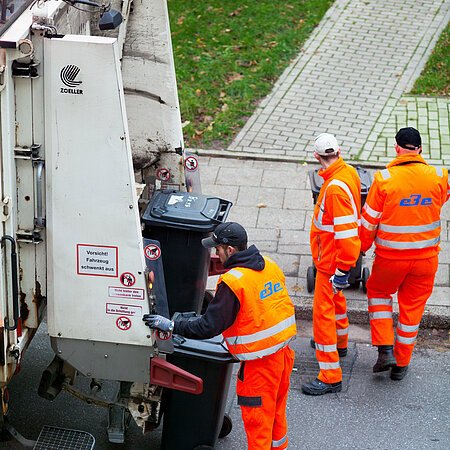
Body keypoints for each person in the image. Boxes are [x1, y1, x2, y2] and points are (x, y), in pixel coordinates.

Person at [143, 222, 297, 450]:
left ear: (230, 250)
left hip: (259, 370)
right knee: (275, 418)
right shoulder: (269, 266)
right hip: (283, 357)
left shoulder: (235, 282)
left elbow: (208, 327)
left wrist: (172, 324)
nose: (216, 253)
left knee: (258, 428)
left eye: (218, 249)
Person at [360, 127, 449, 380]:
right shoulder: (440, 175)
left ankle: (385, 348)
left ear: (397, 148)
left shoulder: (384, 179)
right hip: (426, 260)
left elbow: (369, 222)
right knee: (412, 310)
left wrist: (361, 248)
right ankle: (401, 364)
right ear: (420, 149)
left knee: (378, 293)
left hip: (391, 259)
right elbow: (441, 198)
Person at [301, 133, 361, 396]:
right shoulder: (347, 172)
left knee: (322, 317)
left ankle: (329, 375)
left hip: (330, 262)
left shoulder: (335, 188)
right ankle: (341, 343)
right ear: (339, 151)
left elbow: (346, 236)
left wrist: (341, 269)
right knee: (337, 304)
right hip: (333, 260)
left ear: (316, 156)